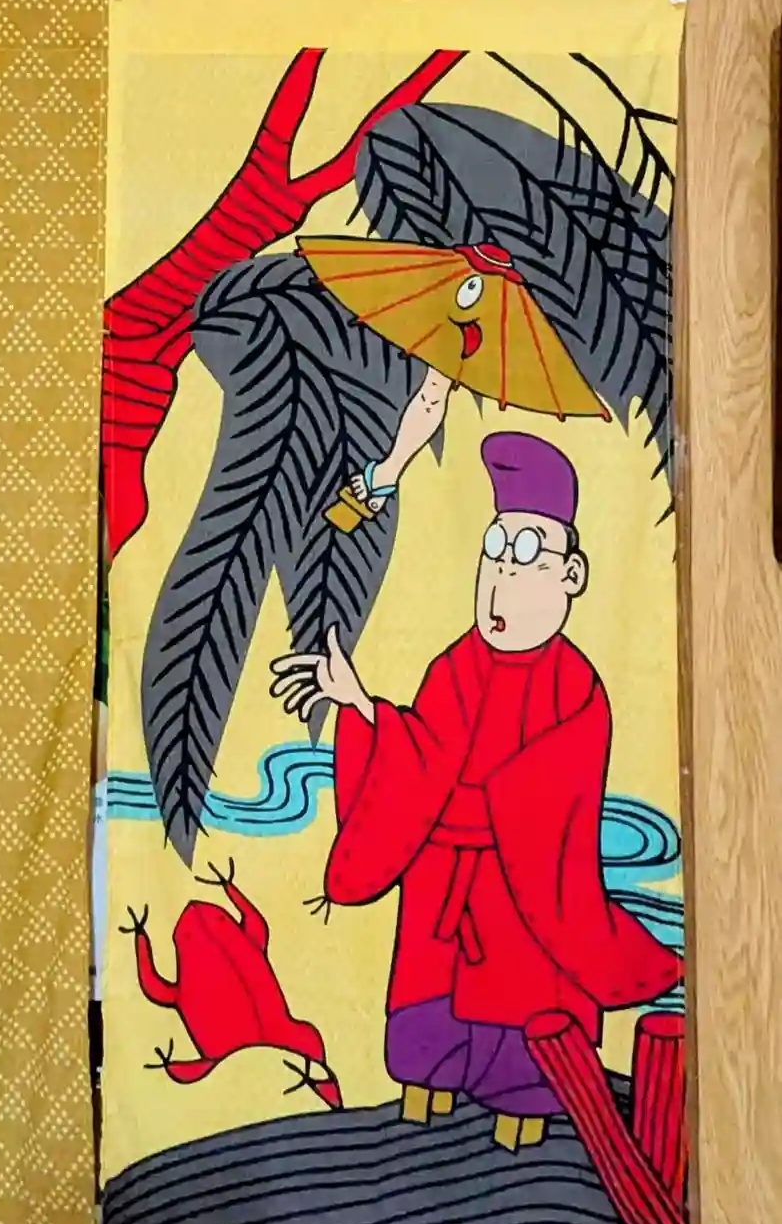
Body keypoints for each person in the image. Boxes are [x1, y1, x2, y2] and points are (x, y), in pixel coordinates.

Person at [269, 431, 682, 1150]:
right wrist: (362, 707)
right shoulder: (453, 668)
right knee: (431, 1019)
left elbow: (541, 798)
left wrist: (457, 801)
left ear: (571, 575)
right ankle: (423, 1099)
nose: (502, 575)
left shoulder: (577, 690)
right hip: (444, 890)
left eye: (526, 553)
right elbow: (420, 751)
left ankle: (523, 1121)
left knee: (521, 1023)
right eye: (494, 551)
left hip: (519, 893)